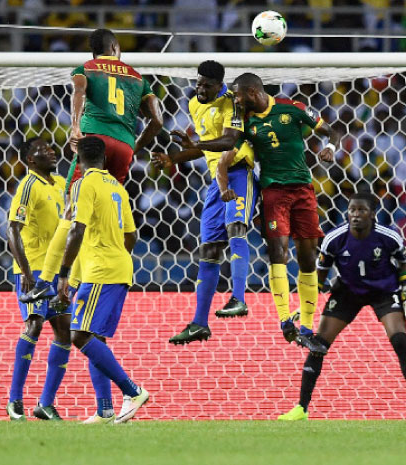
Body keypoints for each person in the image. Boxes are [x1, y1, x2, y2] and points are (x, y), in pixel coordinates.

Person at [21, 27, 162, 304]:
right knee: (101, 211)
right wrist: (133, 147)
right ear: (115, 47)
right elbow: (157, 121)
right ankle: (76, 285)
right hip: (123, 146)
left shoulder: (86, 68)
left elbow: (79, 91)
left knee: (73, 212)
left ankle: (46, 281)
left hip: (93, 142)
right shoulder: (137, 78)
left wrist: (75, 127)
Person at [277, 192, 406, 421]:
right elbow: (320, 274)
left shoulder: (388, 237)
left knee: (400, 340)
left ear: (373, 214)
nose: (356, 215)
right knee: (318, 345)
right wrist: (307, 303)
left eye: (361, 210)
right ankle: (301, 408)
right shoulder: (335, 238)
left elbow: (403, 264)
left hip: (384, 291)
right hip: (347, 292)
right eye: (352, 210)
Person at [222, 72, 340, 348]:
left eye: (237, 95)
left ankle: (308, 327)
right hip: (273, 193)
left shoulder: (293, 108)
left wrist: (331, 147)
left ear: (252, 92)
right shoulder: (245, 121)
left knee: (308, 256)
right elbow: (228, 148)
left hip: (303, 191)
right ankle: (285, 319)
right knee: (279, 252)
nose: (235, 101)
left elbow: (331, 130)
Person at [151, 60, 258, 344]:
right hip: (215, 180)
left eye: (206, 85)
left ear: (219, 85)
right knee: (209, 249)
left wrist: (195, 146)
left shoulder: (232, 104)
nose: (200, 88)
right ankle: (199, 323)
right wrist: (173, 158)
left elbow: (228, 142)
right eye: (198, 83)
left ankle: (238, 298)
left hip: (239, 173)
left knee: (236, 228)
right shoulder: (194, 105)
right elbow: (204, 147)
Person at [56, 136, 148, 424]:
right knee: (96, 338)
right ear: (104, 159)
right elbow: (132, 235)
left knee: (78, 335)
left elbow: (77, 230)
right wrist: (116, 253)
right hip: (120, 267)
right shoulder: (118, 187)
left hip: (100, 270)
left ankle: (132, 391)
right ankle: (104, 408)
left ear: (79, 161)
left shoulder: (84, 184)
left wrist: (63, 273)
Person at [6, 137, 71, 421]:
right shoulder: (28, 185)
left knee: (65, 333)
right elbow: (12, 230)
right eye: (43, 150)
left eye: (51, 147)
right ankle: (14, 401)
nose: (51, 151)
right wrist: (27, 274)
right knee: (34, 325)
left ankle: (45, 403)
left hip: (57, 272)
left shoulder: (59, 183)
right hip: (34, 271)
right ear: (31, 160)